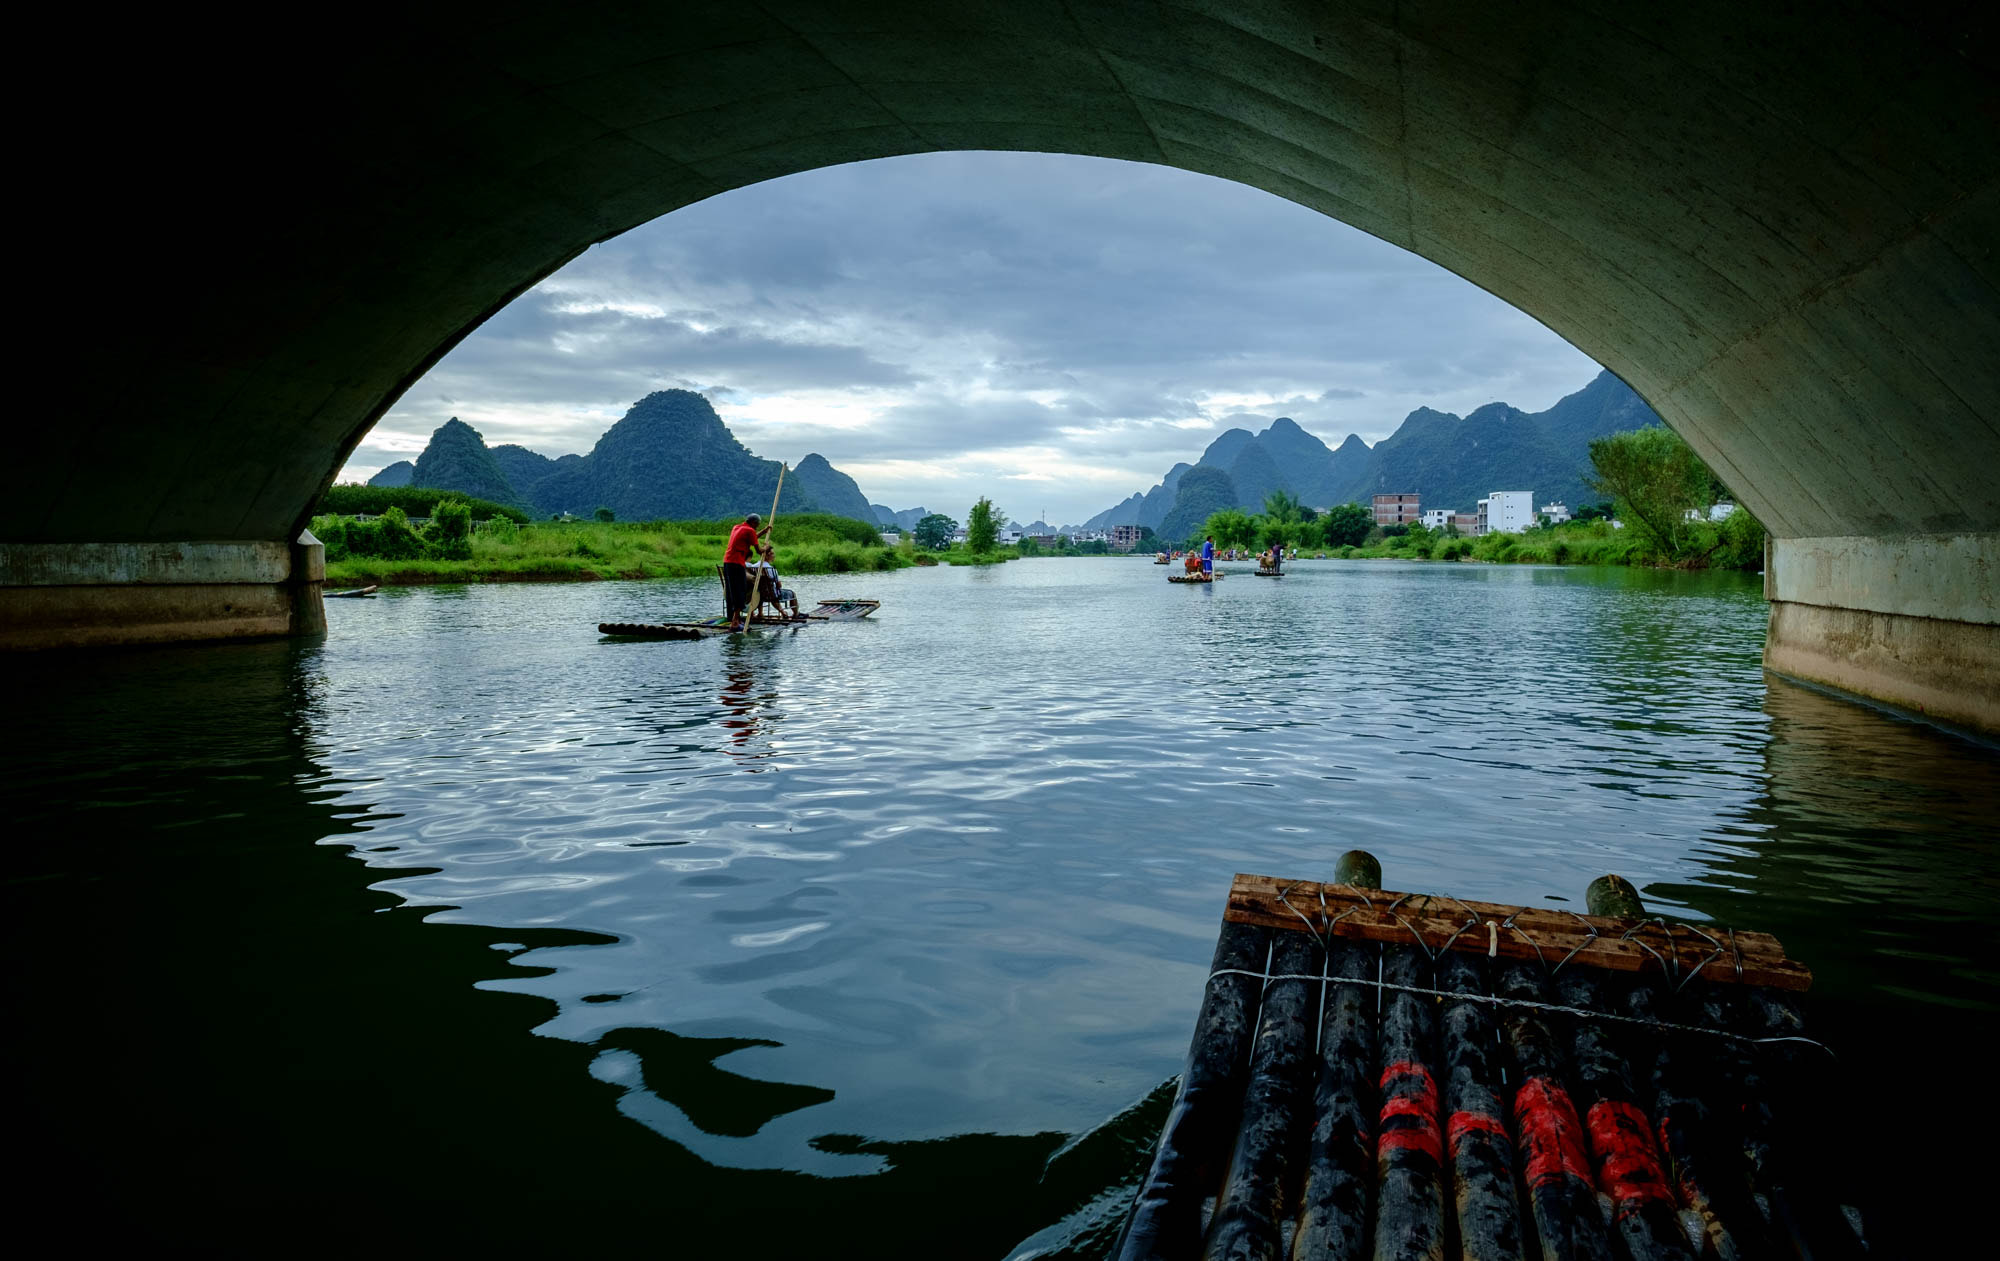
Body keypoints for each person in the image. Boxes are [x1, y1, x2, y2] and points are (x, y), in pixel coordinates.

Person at [722, 512, 769, 630]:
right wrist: (766, 548)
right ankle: (735, 622)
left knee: (731, 590)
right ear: (753, 523)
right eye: (757, 525)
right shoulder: (750, 531)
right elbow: (759, 550)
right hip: (737, 564)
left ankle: (733, 619)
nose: (757, 527)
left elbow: (750, 538)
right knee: (739, 591)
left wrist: (763, 532)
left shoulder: (737, 527)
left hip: (727, 562)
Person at [757, 544, 799, 619]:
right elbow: (779, 585)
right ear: (767, 555)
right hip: (772, 595)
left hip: (759, 594)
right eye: (772, 553)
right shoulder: (771, 569)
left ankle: (761, 613)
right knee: (792, 593)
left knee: (768, 592)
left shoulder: (753, 566)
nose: (774, 555)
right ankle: (796, 614)